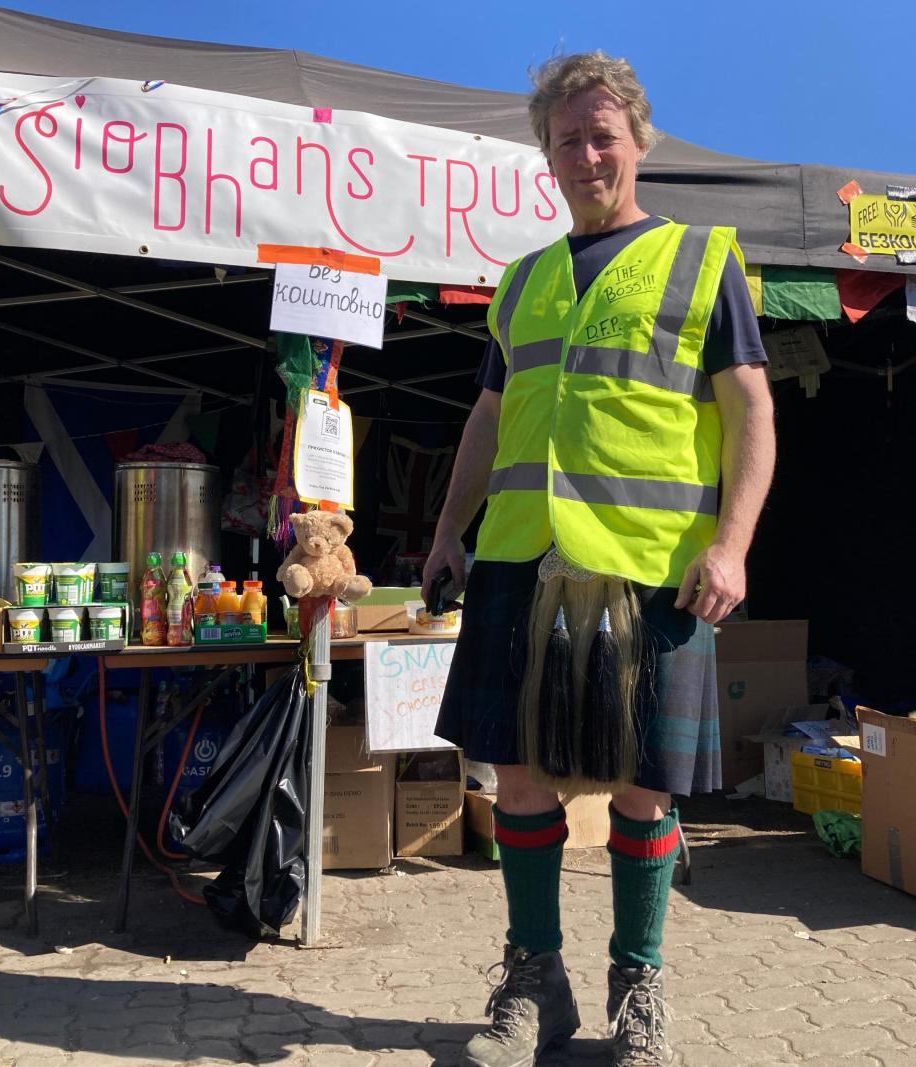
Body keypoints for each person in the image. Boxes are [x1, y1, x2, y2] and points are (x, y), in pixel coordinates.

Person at [423, 51, 776, 1067]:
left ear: (637, 143)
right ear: (547, 154)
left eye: (602, 135)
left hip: (650, 568)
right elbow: (489, 416)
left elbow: (751, 407)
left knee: (642, 789)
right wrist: (450, 528)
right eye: (567, 139)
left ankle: (639, 985)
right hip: (519, 563)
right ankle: (537, 982)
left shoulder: (702, 260)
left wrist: (734, 542)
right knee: (522, 784)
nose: (587, 154)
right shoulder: (523, 280)